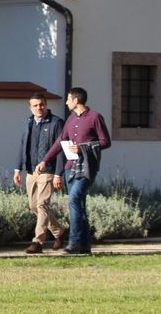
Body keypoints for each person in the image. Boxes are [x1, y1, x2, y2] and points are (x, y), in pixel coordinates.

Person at [36, 86, 111, 255]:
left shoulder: (95, 117)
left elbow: (105, 141)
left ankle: (75, 242)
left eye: (69, 99)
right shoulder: (70, 119)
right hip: (70, 168)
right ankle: (85, 244)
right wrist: (45, 160)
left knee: (74, 200)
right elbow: (60, 141)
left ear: (76, 100)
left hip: (87, 168)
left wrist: (83, 147)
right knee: (79, 205)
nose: (67, 102)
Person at [14, 93, 66, 254]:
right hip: (31, 170)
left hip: (48, 170)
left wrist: (58, 173)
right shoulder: (29, 122)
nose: (39, 108)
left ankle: (37, 242)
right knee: (33, 206)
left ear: (46, 105)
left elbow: (61, 149)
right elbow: (23, 146)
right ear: (30, 107)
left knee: (42, 204)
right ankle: (59, 233)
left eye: (42, 104)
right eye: (35, 105)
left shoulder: (56, 123)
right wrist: (18, 169)